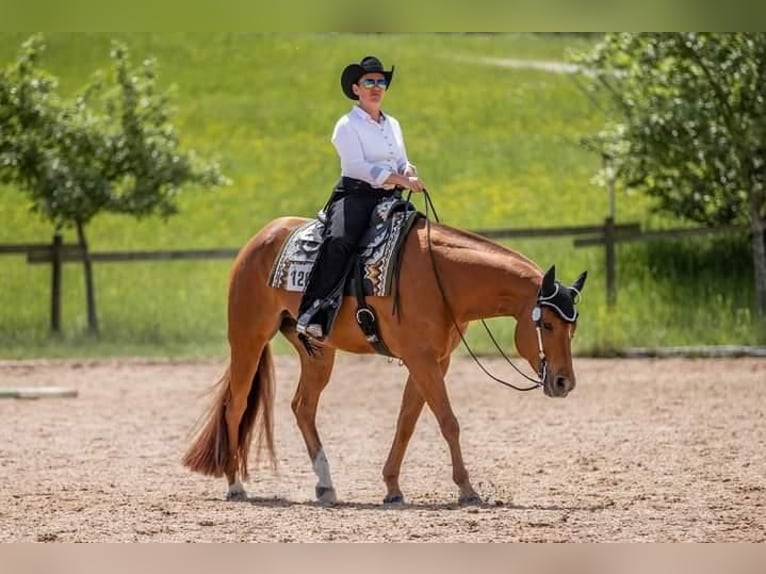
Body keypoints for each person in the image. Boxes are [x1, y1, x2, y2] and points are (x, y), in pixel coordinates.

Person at [296, 55, 426, 340]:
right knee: (340, 240)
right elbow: (358, 166)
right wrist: (400, 179)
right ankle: (315, 310)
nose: (376, 87)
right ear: (356, 88)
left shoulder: (393, 123)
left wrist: (407, 168)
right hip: (356, 195)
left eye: (381, 82)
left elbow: (400, 159)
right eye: (369, 82)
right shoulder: (346, 125)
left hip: (390, 197)